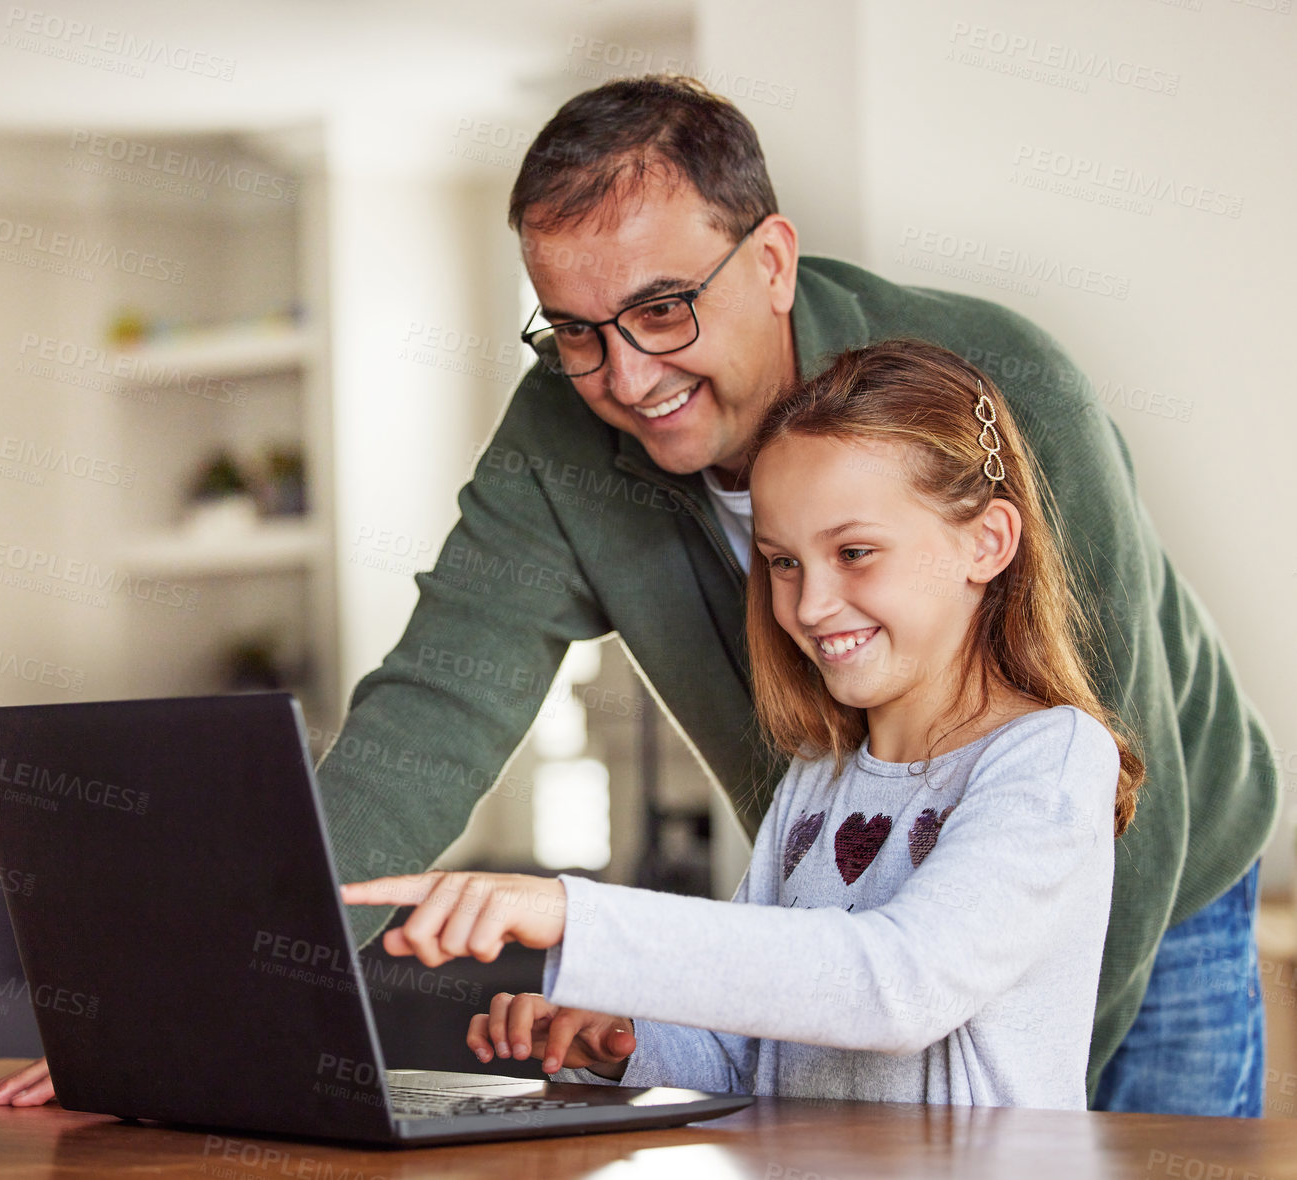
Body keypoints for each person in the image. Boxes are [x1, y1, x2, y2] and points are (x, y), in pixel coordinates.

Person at [0, 74, 1274, 1115]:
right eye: (574, 330)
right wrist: (200, 1010)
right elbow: (419, 734)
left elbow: (1102, 788)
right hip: (866, 942)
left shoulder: (997, 387)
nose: (624, 374)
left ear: (769, 259)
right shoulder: (563, 443)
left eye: (661, 307)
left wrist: (1031, 1098)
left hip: (1150, 878)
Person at [340, 339, 1141, 1108]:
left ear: (987, 542)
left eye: (855, 552)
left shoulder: (1049, 756)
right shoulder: (817, 781)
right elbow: (748, 1049)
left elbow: (897, 987)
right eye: (783, 562)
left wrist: (575, 913)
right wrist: (623, 1037)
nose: (810, 604)